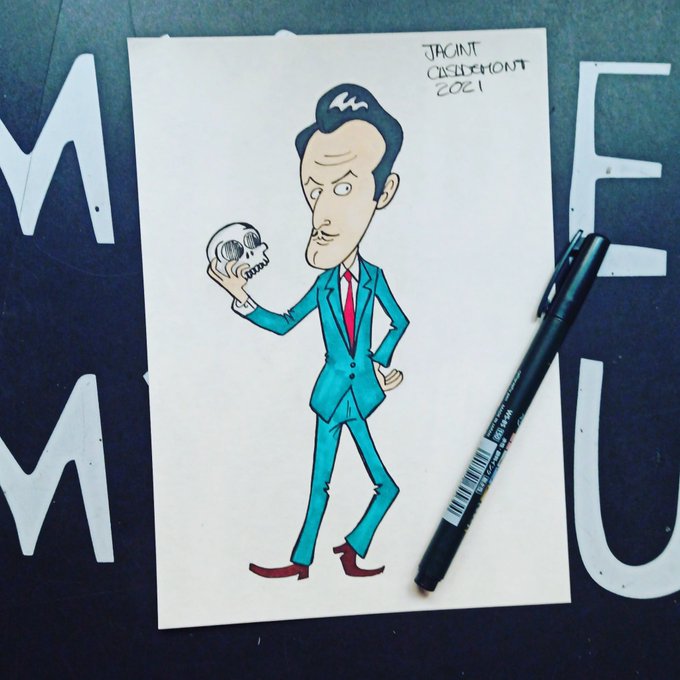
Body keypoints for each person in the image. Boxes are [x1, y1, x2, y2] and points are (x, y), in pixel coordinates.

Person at [208, 83, 408, 579]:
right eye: (314, 191)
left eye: (343, 188)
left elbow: (399, 321)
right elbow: (283, 324)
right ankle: (303, 562)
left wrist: (381, 360)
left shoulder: (375, 278)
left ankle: (351, 546)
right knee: (320, 486)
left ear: (383, 192)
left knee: (385, 486)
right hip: (331, 396)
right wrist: (242, 298)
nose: (323, 210)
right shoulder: (323, 285)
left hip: (361, 393)